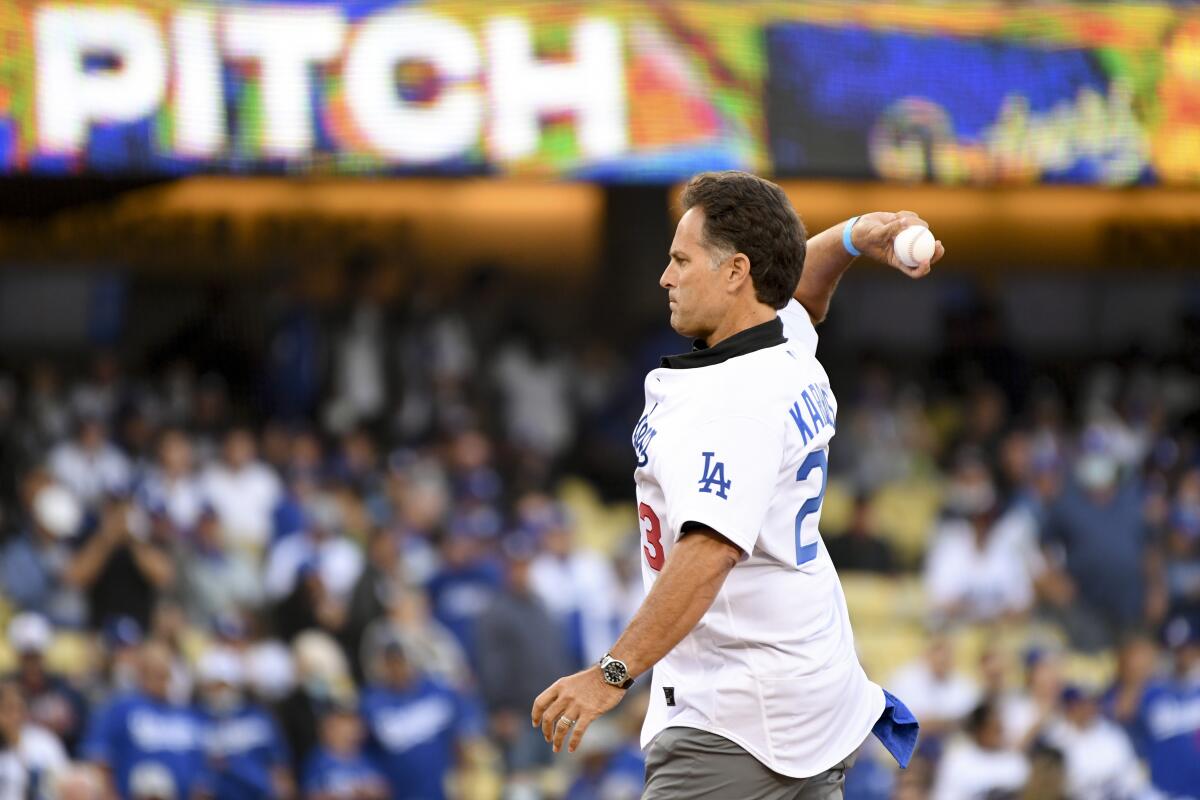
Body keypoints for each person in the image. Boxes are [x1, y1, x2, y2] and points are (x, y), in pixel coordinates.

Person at [532, 172, 940, 798]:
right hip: (809, 694)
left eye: (680, 259)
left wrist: (611, 674)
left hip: (738, 728)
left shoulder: (730, 405)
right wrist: (855, 236)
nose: (666, 277)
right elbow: (802, 292)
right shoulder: (783, 347)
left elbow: (709, 553)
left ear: (735, 273)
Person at [359, 634, 485, 800]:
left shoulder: (438, 690)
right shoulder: (371, 702)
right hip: (400, 792)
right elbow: (360, 749)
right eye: (391, 663)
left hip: (444, 790)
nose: (398, 668)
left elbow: (467, 725)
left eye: (401, 661)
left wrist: (466, 766)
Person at [82, 641, 206, 800]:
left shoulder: (187, 715)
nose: (163, 681)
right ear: (141, 673)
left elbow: (201, 775)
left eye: (166, 673)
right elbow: (99, 760)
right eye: (156, 673)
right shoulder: (120, 708)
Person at [194, 648, 293, 800]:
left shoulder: (258, 717)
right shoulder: (198, 720)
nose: (220, 693)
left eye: (224, 686)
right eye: (214, 687)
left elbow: (280, 765)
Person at [1127, 616, 1200, 796]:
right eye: (1177, 650)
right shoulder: (1151, 691)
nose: (1183, 656)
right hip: (1155, 790)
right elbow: (1128, 727)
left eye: (1188, 648)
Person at [1040, 685, 1148, 800]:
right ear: (1069, 706)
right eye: (1080, 704)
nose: (1087, 708)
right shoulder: (1054, 736)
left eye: (1091, 702)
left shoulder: (1111, 732)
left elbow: (1132, 774)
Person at [6, 613, 89, 756]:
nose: (32, 664)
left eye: (36, 656)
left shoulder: (66, 692)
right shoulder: (6, 691)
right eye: (27, 656)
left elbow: (82, 734)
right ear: (18, 656)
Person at [931, 701, 1029, 800]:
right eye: (995, 729)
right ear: (979, 730)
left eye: (1001, 729)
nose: (1000, 734)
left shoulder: (1015, 760)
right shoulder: (957, 761)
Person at [301, 702, 387, 800]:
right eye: (344, 728)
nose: (350, 734)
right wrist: (345, 794)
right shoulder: (317, 761)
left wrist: (368, 792)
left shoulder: (366, 757)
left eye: (352, 728)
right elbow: (311, 794)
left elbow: (384, 789)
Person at [0, 680, 70, 800]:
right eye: (7, 710)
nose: (14, 716)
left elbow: (64, 785)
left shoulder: (44, 742)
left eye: (19, 708)